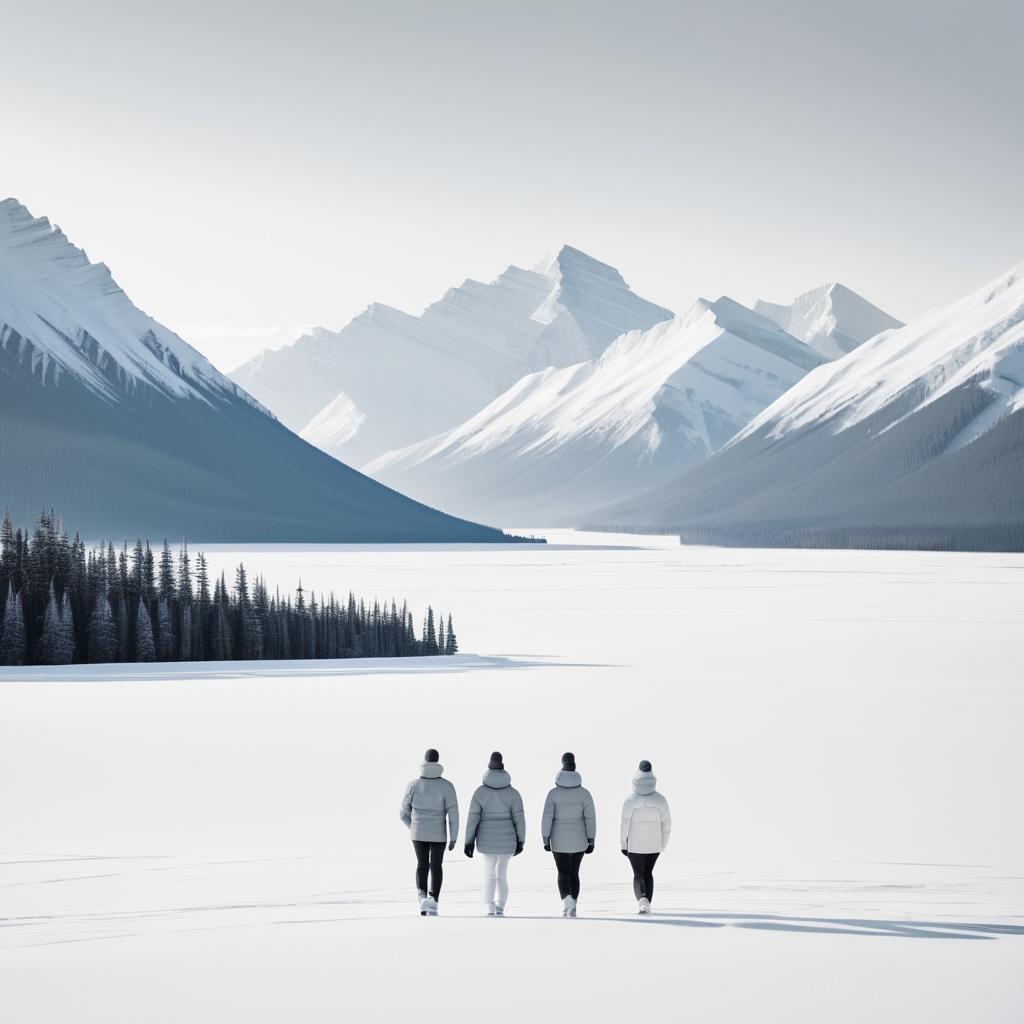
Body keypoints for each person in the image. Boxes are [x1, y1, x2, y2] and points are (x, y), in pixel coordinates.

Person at [463, 751, 526, 916]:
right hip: (508, 840)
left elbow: (472, 819)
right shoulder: (513, 793)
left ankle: (489, 907)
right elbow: (519, 819)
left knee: (490, 872)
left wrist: (468, 841)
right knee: (502, 874)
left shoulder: (480, 792)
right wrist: (521, 840)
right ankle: (500, 906)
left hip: (486, 839)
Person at [399, 747, 459, 916]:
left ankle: (422, 897)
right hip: (439, 834)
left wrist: (414, 826)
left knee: (422, 864)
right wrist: (454, 836)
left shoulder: (413, 785)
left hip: (418, 833)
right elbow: (453, 813)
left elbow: (403, 812)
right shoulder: (447, 786)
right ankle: (433, 899)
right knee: (436, 865)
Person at [541, 752, 596, 917]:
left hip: (558, 840)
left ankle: (567, 901)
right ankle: (574, 904)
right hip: (579, 840)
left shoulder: (553, 793)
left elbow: (547, 817)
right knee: (574, 872)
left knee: (563, 872)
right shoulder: (584, 793)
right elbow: (590, 817)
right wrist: (591, 838)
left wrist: (545, 838)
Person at [620, 759, 672, 914]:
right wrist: (662, 845)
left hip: (635, 846)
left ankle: (643, 901)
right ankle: (647, 903)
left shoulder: (630, 800)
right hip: (654, 845)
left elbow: (624, 825)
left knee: (638, 873)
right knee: (648, 873)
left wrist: (623, 844)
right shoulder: (660, 800)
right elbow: (667, 826)